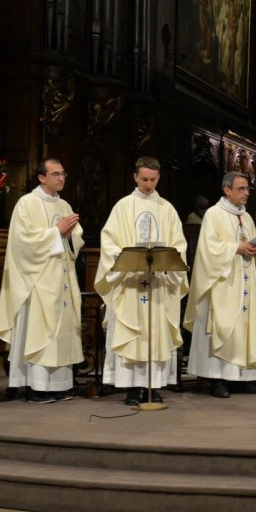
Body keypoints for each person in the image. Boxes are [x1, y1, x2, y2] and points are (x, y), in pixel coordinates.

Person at [95, 156, 189, 407]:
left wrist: (166, 263)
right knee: (132, 332)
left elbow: (179, 245)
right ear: (135, 177)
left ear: (159, 177)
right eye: (144, 179)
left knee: (156, 333)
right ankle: (131, 388)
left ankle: (153, 386)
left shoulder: (167, 209)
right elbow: (109, 244)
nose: (149, 184)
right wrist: (128, 261)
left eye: (153, 179)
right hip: (130, 283)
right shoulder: (123, 207)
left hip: (158, 283)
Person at [0, 158, 84, 404]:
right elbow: (23, 242)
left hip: (62, 278)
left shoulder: (64, 204)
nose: (61, 178)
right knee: (40, 332)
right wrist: (57, 232)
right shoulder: (27, 204)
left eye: (63, 173)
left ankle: (58, 385)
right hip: (37, 280)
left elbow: (76, 238)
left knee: (61, 331)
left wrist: (68, 234)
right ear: (42, 178)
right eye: (55, 174)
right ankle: (35, 386)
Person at [184, 172, 256, 399]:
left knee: (243, 327)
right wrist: (236, 248)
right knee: (222, 326)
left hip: (244, 281)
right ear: (227, 190)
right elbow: (208, 249)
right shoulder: (214, 214)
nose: (246, 193)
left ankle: (241, 378)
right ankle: (216, 378)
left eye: (247, 189)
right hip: (222, 283)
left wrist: (255, 249)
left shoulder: (246, 218)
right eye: (241, 189)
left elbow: (254, 242)